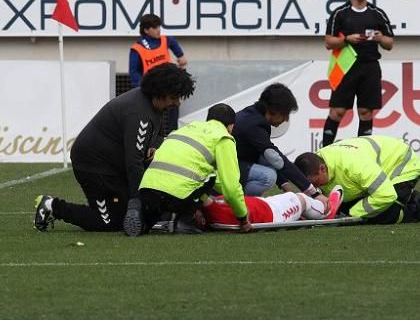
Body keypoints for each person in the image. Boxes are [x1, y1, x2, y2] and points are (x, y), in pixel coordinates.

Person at [33, 63, 195, 233]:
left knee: (132, 208)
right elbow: (134, 164)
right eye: (173, 97)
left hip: (114, 165)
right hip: (94, 166)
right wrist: (137, 203)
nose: (177, 103)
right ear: (159, 92)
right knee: (109, 222)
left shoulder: (154, 105)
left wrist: (153, 146)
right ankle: (51, 206)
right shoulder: (139, 115)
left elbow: (158, 135)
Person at [132, 103, 251, 236]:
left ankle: (143, 215)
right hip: (175, 194)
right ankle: (184, 221)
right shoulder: (223, 137)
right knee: (209, 175)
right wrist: (243, 216)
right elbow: (231, 187)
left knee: (157, 208)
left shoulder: (185, 129)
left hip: (148, 187)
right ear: (231, 126)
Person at [322, 0, 394, 147]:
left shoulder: (377, 13)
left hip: (370, 66)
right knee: (337, 112)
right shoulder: (340, 13)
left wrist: (379, 38)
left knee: (366, 112)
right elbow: (328, 42)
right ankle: (324, 152)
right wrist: (347, 39)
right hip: (346, 67)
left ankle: (362, 153)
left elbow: (390, 43)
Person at [294, 135, 420, 225]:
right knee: (345, 209)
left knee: (384, 215)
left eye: (315, 183)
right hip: (372, 170)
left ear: (322, 169)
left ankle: (414, 206)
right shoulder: (318, 163)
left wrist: (351, 216)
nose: (313, 188)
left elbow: (386, 195)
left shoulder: (354, 166)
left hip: (401, 163)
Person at [233, 83, 325, 201]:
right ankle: (238, 203)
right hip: (226, 169)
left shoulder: (253, 115)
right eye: (285, 114)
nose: (286, 119)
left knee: (266, 159)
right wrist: (314, 193)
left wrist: (285, 185)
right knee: (268, 176)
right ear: (272, 111)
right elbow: (278, 160)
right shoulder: (254, 125)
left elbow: (267, 158)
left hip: (236, 162)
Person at [129, 13, 187, 134]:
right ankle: (153, 135)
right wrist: (141, 89)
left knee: (174, 107)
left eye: (159, 26)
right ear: (146, 30)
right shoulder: (137, 47)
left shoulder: (166, 40)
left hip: (169, 85)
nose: (158, 30)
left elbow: (180, 54)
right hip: (152, 88)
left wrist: (181, 58)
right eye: (154, 27)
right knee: (152, 114)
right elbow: (134, 72)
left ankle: (173, 134)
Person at [198, 188, 341, 229]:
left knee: (295, 197)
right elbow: (202, 195)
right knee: (300, 198)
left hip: (263, 204)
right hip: (273, 215)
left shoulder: (210, 207)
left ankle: (309, 211)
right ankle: (327, 212)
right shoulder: (212, 210)